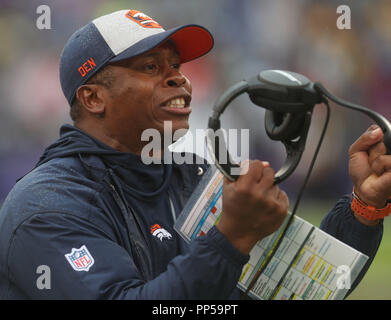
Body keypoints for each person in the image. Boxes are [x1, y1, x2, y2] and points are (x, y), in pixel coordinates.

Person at [0, 9, 388, 300]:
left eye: (176, 65)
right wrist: (231, 237)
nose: (178, 78)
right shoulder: (47, 205)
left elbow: (297, 288)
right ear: (93, 97)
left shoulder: (196, 174)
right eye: (151, 66)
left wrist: (363, 208)